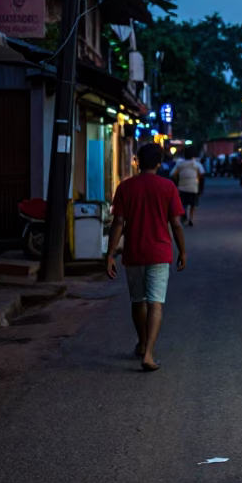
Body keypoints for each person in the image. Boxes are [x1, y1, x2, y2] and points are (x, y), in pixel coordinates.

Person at [105, 142, 188, 373]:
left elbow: (118, 223)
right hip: (159, 252)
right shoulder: (167, 187)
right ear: (159, 163)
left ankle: (142, 343)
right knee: (155, 302)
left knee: (137, 300)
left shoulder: (125, 187)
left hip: (134, 252)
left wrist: (110, 254)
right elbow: (176, 223)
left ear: (137, 162)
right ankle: (149, 353)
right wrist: (182, 251)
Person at [171, 146, 205, 227]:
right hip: (193, 187)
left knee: (183, 203)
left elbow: (173, 174)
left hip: (182, 187)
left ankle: (184, 217)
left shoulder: (180, 164)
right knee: (193, 204)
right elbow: (201, 175)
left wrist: (177, 181)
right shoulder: (197, 164)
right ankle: (191, 219)